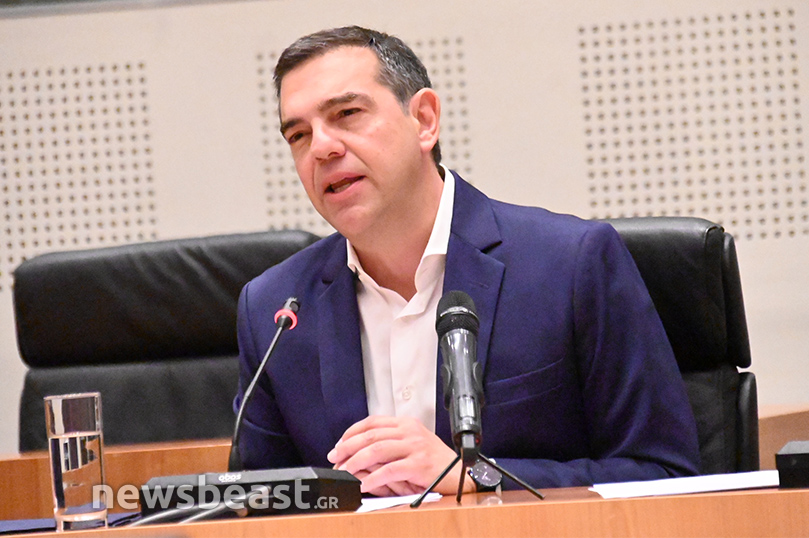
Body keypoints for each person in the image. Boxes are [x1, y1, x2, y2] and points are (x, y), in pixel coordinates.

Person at [234, 26, 699, 497]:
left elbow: (665, 474)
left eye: (347, 114)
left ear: (424, 120)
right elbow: (256, 503)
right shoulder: (274, 312)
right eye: (299, 135)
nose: (321, 148)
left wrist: (479, 475)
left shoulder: (571, 266)